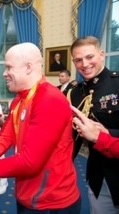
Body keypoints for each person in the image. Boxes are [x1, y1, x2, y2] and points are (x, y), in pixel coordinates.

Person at [0, 42, 81, 213]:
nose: (4, 73)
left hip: (52, 202)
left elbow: (30, 162)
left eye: (9, 67)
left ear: (28, 67)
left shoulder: (49, 99)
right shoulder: (19, 100)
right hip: (27, 195)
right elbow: (4, 139)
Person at [68, 36, 119, 213]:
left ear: (102, 55)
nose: (85, 64)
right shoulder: (75, 93)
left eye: (90, 57)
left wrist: (107, 134)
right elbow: (72, 137)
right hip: (98, 174)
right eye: (78, 60)